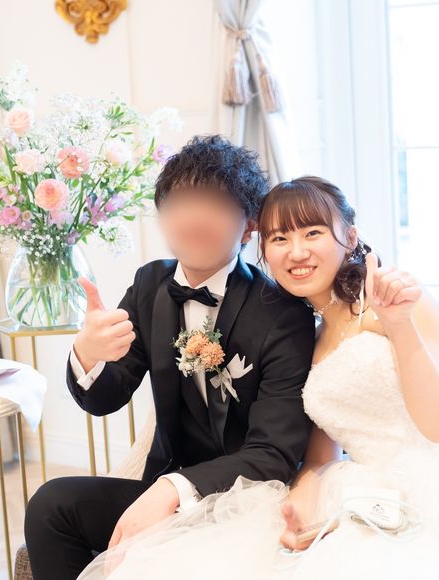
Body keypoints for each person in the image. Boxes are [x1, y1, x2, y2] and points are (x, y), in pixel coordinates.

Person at [79, 175, 439, 580]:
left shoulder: (399, 301)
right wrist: (302, 503)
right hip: (360, 491)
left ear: (350, 237)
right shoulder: (308, 338)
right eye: (280, 238)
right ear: (263, 249)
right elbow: (320, 457)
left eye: (313, 233)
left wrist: (400, 325)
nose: (296, 252)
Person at [23, 136, 316, 580]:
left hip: (244, 501)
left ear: (249, 225)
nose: (194, 218)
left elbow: (273, 453)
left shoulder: (283, 314)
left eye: (215, 204)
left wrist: (173, 488)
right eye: (180, 203)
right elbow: (104, 399)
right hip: (164, 489)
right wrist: (88, 355)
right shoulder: (150, 285)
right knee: (51, 505)